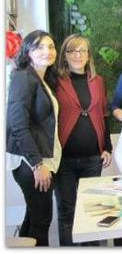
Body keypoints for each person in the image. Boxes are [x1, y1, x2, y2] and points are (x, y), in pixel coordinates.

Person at [54, 34, 113, 246]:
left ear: (89, 55)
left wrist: (107, 147)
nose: (78, 55)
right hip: (64, 161)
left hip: (92, 159)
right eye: (72, 51)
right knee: (67, 212)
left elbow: (103, 115)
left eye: (82, 51)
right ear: (65, 56)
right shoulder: (56, 81)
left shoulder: (98, 82)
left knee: (92, 212)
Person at [6, 30, 61, 246]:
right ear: (27, 51)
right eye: (39, 47)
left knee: (33, 218)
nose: (47, 51)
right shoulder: (23, 77)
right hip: (30, 163)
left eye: (50, 46)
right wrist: (37, 164)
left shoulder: (40, 78)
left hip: (39, 161)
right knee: (41, 220)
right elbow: (17, 125)